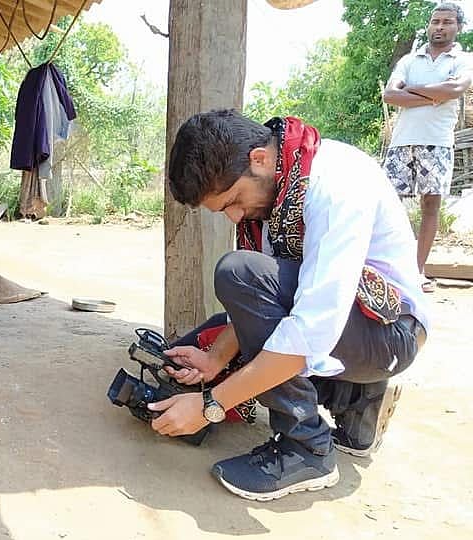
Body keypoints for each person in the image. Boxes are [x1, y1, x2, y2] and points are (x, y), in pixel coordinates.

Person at [152, 110, 429, 501]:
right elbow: (271, 301)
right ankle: (357, 401)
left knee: (238, 274)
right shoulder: (281, 187)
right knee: (220, 330)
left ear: (259, 159)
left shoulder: (335, 184)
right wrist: (215, 358)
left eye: (233, 201)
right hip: (354, 329)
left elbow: (308, 329)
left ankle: (307, 450)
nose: (234, 216)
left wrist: (210, 405)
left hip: (391, 334)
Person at [382, 3, 473, 293]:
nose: (439, 27)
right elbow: (390, 95)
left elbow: (456, 89)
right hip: (401, 142)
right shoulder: (410, 60)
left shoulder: (463, 60)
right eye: (435, 21)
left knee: (430, 205)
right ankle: (390, 267)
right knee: (389, 205)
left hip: (437, 141)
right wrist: (436, 94)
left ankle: (416, 272)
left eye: (447, 22)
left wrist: (411, 91)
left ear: (458, 27)